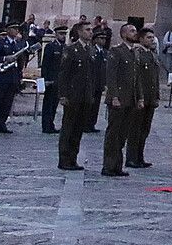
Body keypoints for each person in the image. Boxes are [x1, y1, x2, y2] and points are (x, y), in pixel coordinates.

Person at [102, 22, 143, 177]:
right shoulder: (116, 51)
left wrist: (139, 97)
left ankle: (117, 165)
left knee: (122, 134)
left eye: (135, 30)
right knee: (113, 134)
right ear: (124, 34)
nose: (135, 33)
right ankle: (108, 165)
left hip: (130, 99)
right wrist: (114, 96)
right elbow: (111, 76)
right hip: (118, 99)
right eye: (132, 31)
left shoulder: (135, 52)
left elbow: (136, 77)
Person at [58, 20, 96, 170]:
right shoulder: (71, 49)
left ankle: (73, 158)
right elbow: (64, 74)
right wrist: (63, 94)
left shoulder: (91, 50)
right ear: (80, 32)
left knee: (78, 129)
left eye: (91, 30)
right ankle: (64, 159)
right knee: (68, 128)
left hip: (85, 96)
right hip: (72, 95)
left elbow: (92, 75)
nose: (90, 33)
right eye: (87, 30)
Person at [126, 28, 161, 168]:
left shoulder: (152, 55)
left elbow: (155, 79)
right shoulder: (137, 54)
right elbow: (136, 78)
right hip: (140, 98)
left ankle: (140, 156)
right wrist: (139, 97)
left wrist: (156, 96)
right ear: (140, 39)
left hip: (150, 98)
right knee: (135, 129)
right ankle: (131, 158)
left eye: (153, 38)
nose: (152, 40)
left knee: (144, 129)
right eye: (148, 38)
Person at [40, 27, 67, 133]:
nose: (63, 36)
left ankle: (51, 124)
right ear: (56, 34)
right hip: (51, 80)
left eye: (64, 34)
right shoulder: (50, 47)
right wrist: (45, 79)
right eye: (61, 34)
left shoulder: (65, 47)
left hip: (59, 81)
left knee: (54, 104)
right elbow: (45, 64)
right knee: (48, 104)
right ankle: (46, 126)